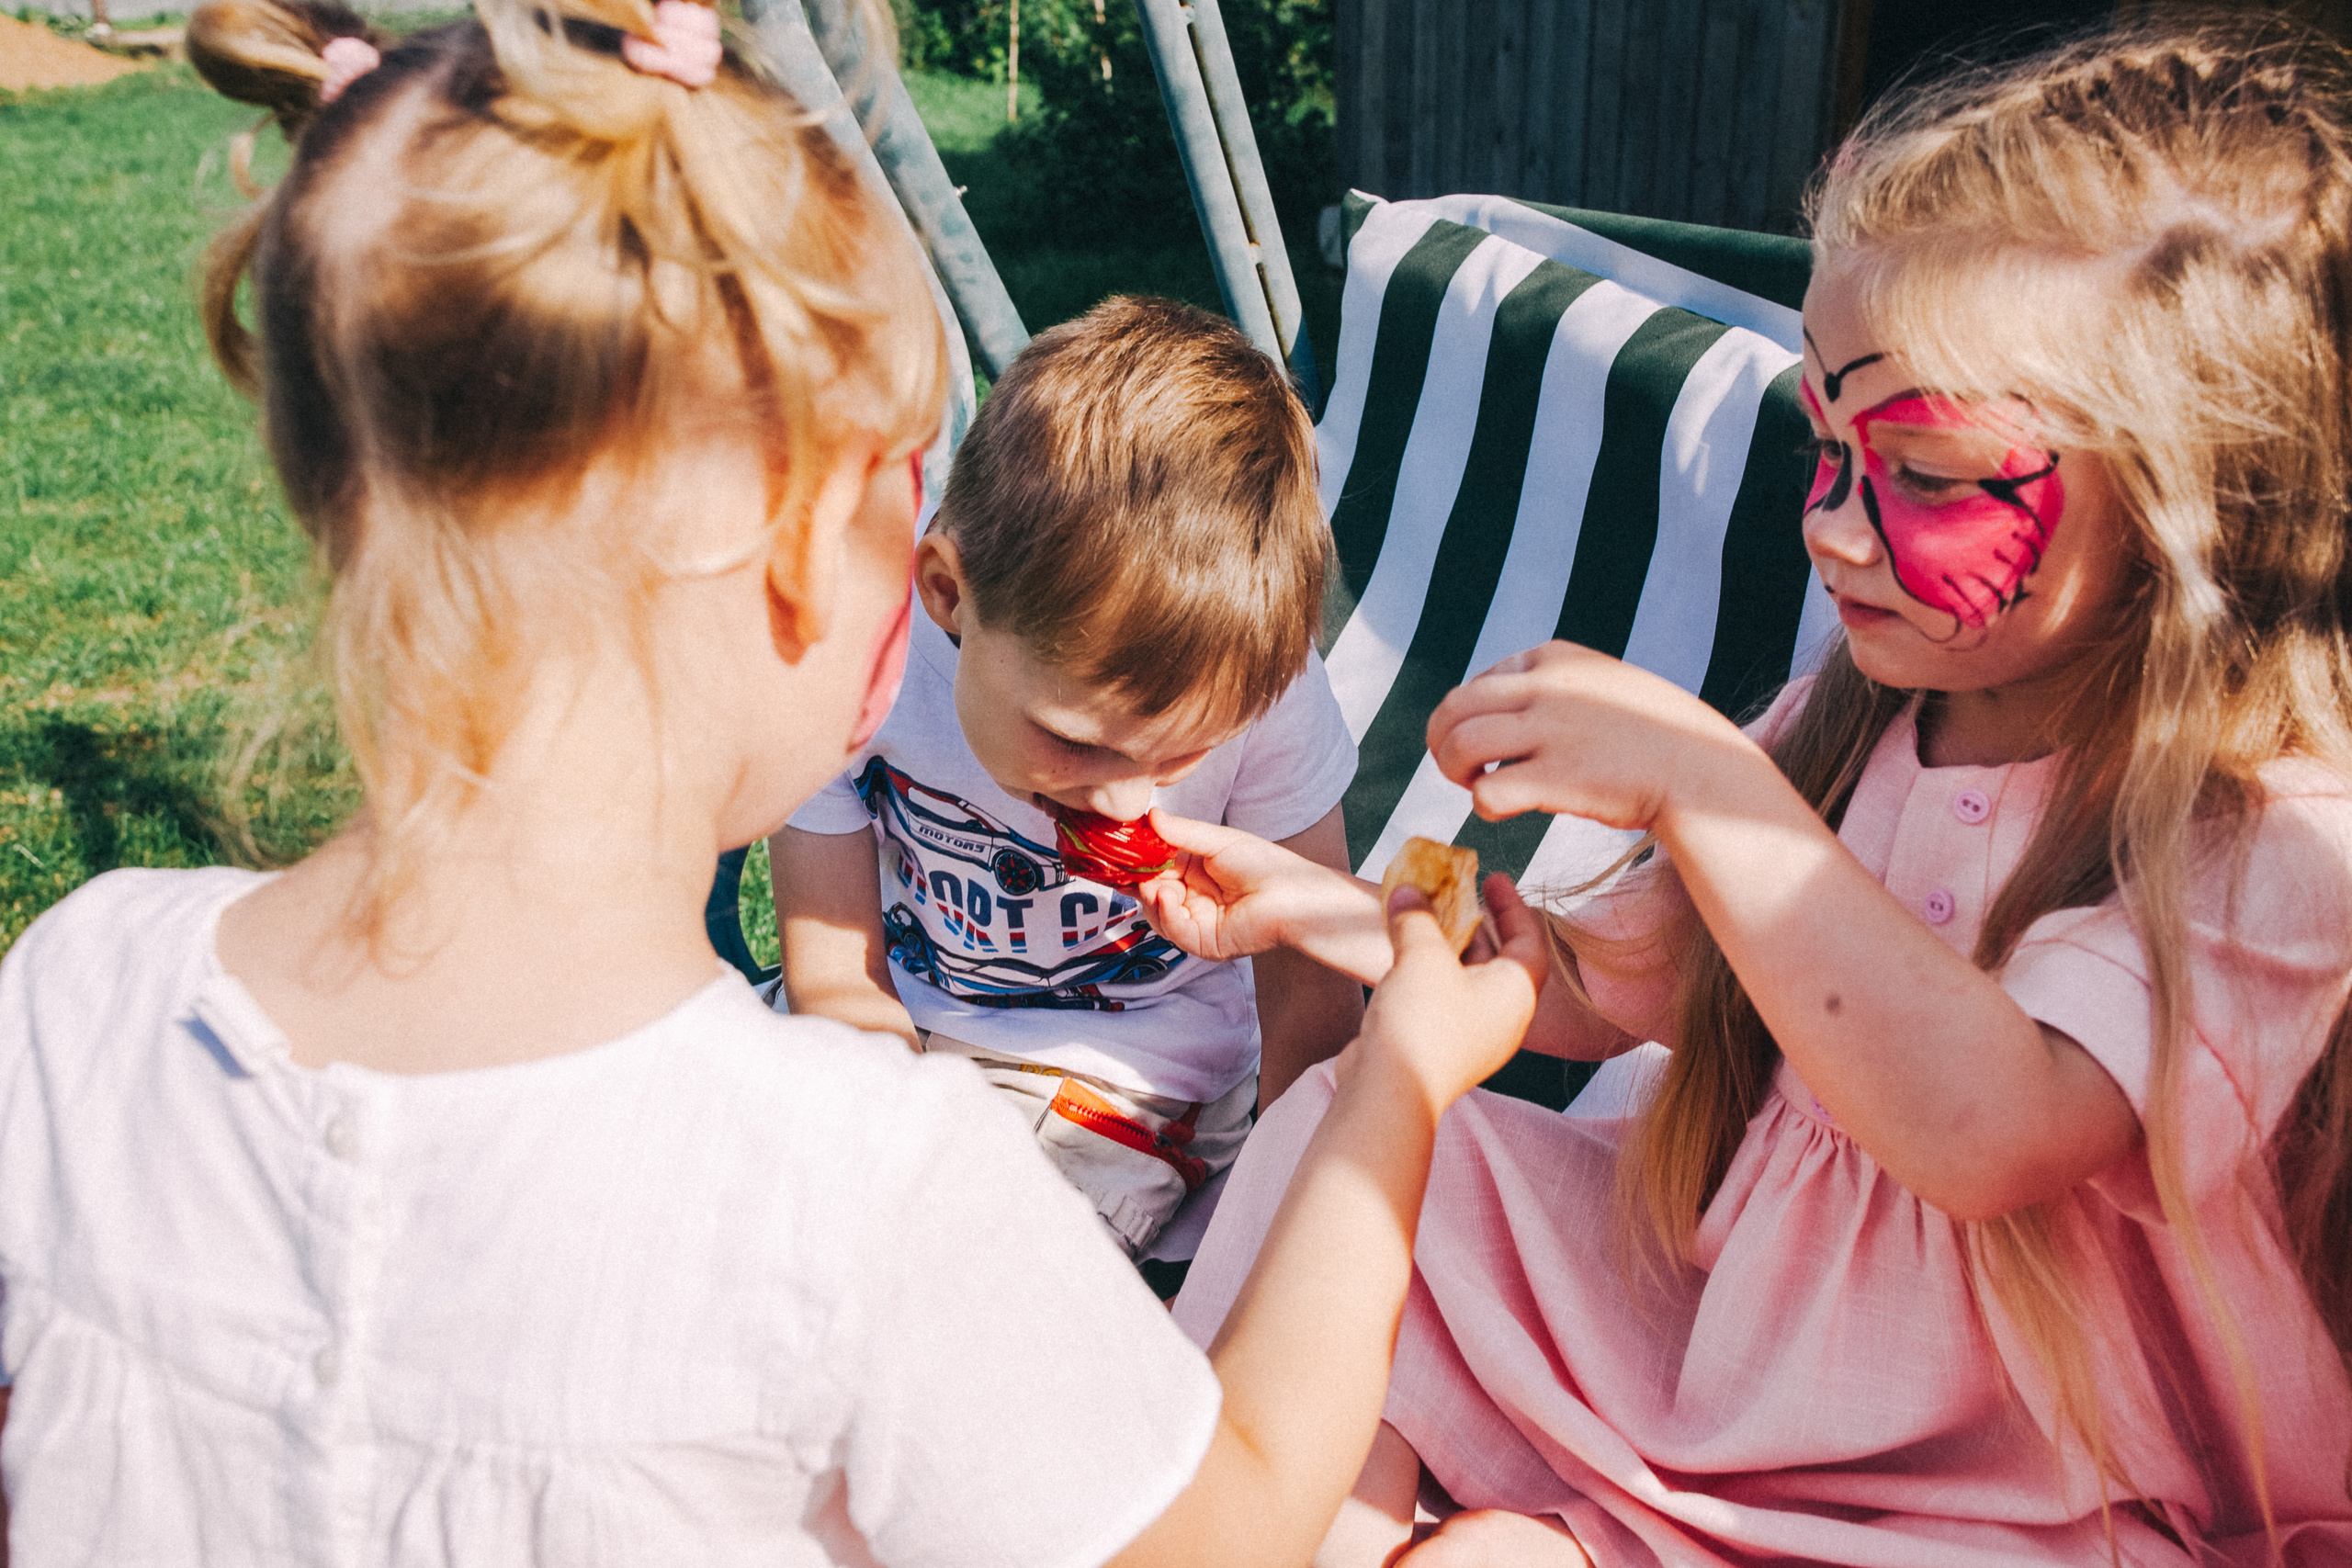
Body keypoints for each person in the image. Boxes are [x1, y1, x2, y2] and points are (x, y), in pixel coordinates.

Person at [0, 0, 1548, 1561]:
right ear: (835, 563)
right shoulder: (867, 1191)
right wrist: (1397, 1087)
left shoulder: (75, 993)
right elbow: (1241, 1525)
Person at [1144, 26, 2352, 1567]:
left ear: (2200, 491)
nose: (1838, 529)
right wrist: (1336, 914)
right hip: (1715, 1346)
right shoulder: (1866, 715)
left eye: (1925, 471)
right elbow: (1639, 974)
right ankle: (1231, 1513)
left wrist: (1709, 788)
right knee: (1366, 1142)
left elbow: (1989, 1127)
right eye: (1829, 448)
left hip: (2030, 1487)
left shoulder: (2266, 833)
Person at [771, 296, 1363, 1263]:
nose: (1130, 800)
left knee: (978, 1280)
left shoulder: (1270, 692)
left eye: (1178, 758)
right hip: (894, 1036)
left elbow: (1312, 989)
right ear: (947, 594)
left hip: (1125, 1075)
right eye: (1078, 743)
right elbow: (834, 973)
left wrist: (1274, 1213)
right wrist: (885, 1136)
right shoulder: (853, 653)